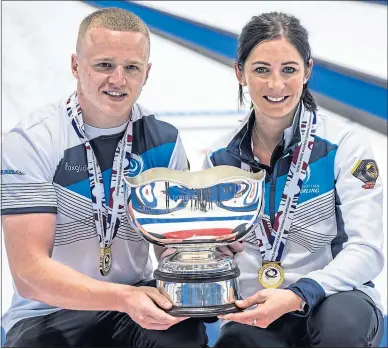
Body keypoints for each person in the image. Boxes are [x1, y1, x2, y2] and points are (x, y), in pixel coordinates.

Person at [1, 7, 208, 347]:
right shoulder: (34, 141)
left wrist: (202, 252)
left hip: (136, 302)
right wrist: (122, 298)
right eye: (104, 65)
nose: (118, 79)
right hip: (47, 311)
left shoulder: (163, 141)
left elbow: (168, 248)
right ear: (75, 66)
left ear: (147, 72)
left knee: (182, 335)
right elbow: (30, 274)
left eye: (131, 68)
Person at [203, 12, 385, 348]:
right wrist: (214, 251)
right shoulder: (219, 158)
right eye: (261, 70)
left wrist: (300, 293)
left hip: (334, 297)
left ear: (307, 72)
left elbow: (367, 250)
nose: (276, 85)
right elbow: (214, 254)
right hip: (259, 308)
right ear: (240, 72)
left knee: (341, 329)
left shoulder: (344, 145)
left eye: (289, 69)